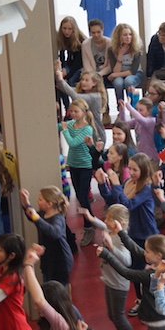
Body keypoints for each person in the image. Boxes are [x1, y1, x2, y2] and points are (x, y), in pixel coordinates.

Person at [19, 186, 73, 285]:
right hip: (48, 260)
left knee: (57, 289)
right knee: (48, 285)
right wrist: (26, 203)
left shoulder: (58, 218)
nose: (37, 201)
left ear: (49, 204)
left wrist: (36, 217)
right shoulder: (43, 214)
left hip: (60, 261)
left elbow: (54, 233)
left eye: (40, 199)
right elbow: (32, 216)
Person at [61, 99, 97, 246]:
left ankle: (89, 226)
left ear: (83, 112)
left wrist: (64, 130)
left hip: (85, 166)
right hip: (73, 165)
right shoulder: (71, 124)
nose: (73, 114)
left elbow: (73, 143)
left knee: (83, 197)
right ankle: (92, 222)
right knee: (80, 196)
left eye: (76, 111)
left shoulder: (87, 129)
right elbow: (57, 126)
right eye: (71, 111)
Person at [107, 23, 144, 103]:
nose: (128, 37)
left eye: (130, 34)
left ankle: (132, 106)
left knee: (128, 81)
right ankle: (120, 106)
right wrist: (120, 54)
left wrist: (114, 75)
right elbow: (115, 71)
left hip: (135, 74)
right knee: (118, 83)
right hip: (119, 73)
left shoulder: (136, 50)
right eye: (125, 35)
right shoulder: (111, 50)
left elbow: (132, 71)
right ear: (119, 37)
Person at [55, 16, 86, 114]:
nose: (66, 31)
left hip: (80, 66)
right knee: (59, 81)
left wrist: (67, 77)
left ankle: (76, 107)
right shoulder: (61, 38)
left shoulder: (80, 41)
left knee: (71, 81)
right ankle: (67, 108)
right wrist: (63, 68)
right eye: (64, 28)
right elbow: (62, 55)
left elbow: (78, 63)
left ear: (74, 30)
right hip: (69, 64)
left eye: (69, 29)